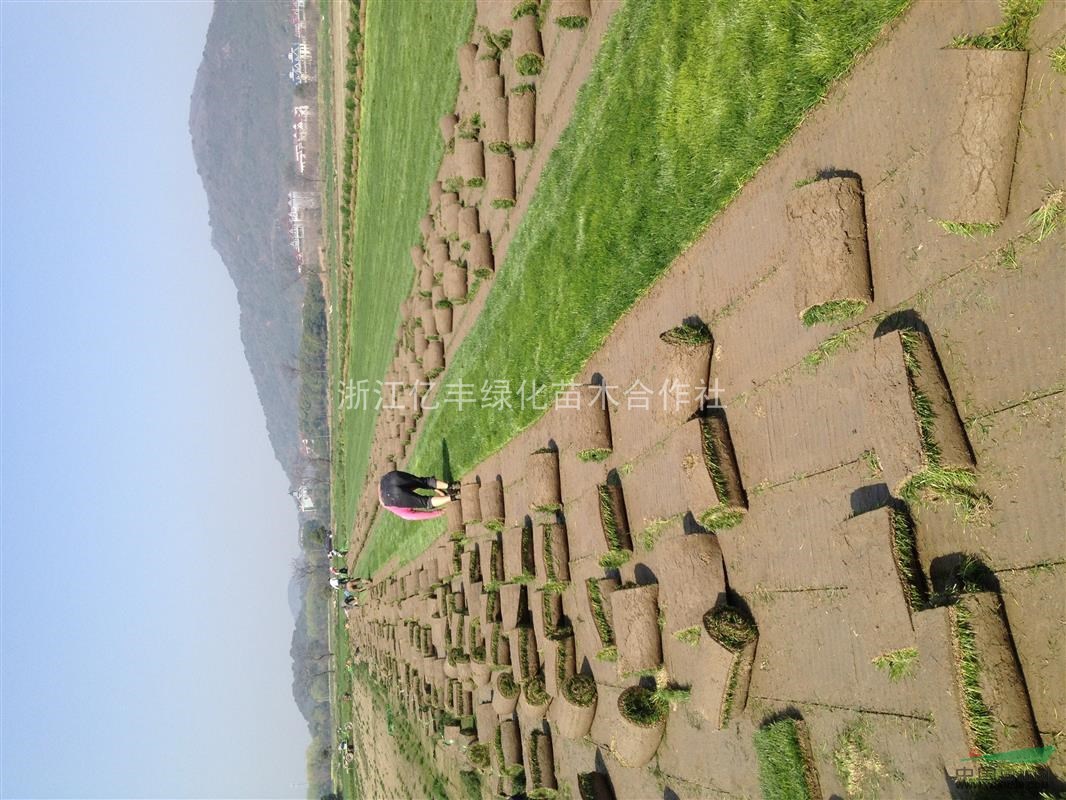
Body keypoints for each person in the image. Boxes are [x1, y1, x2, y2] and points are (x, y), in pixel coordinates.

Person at [378, 470, 459, 520]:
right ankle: (452, 486)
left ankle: (454, 497)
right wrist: (435, 489)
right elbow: (415, 485)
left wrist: (438, 512)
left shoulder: (402, 512)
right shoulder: (388, 499)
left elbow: (419, 515)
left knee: (426, 502)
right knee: (423, 482)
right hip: (390, 477)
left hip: (392, 497)